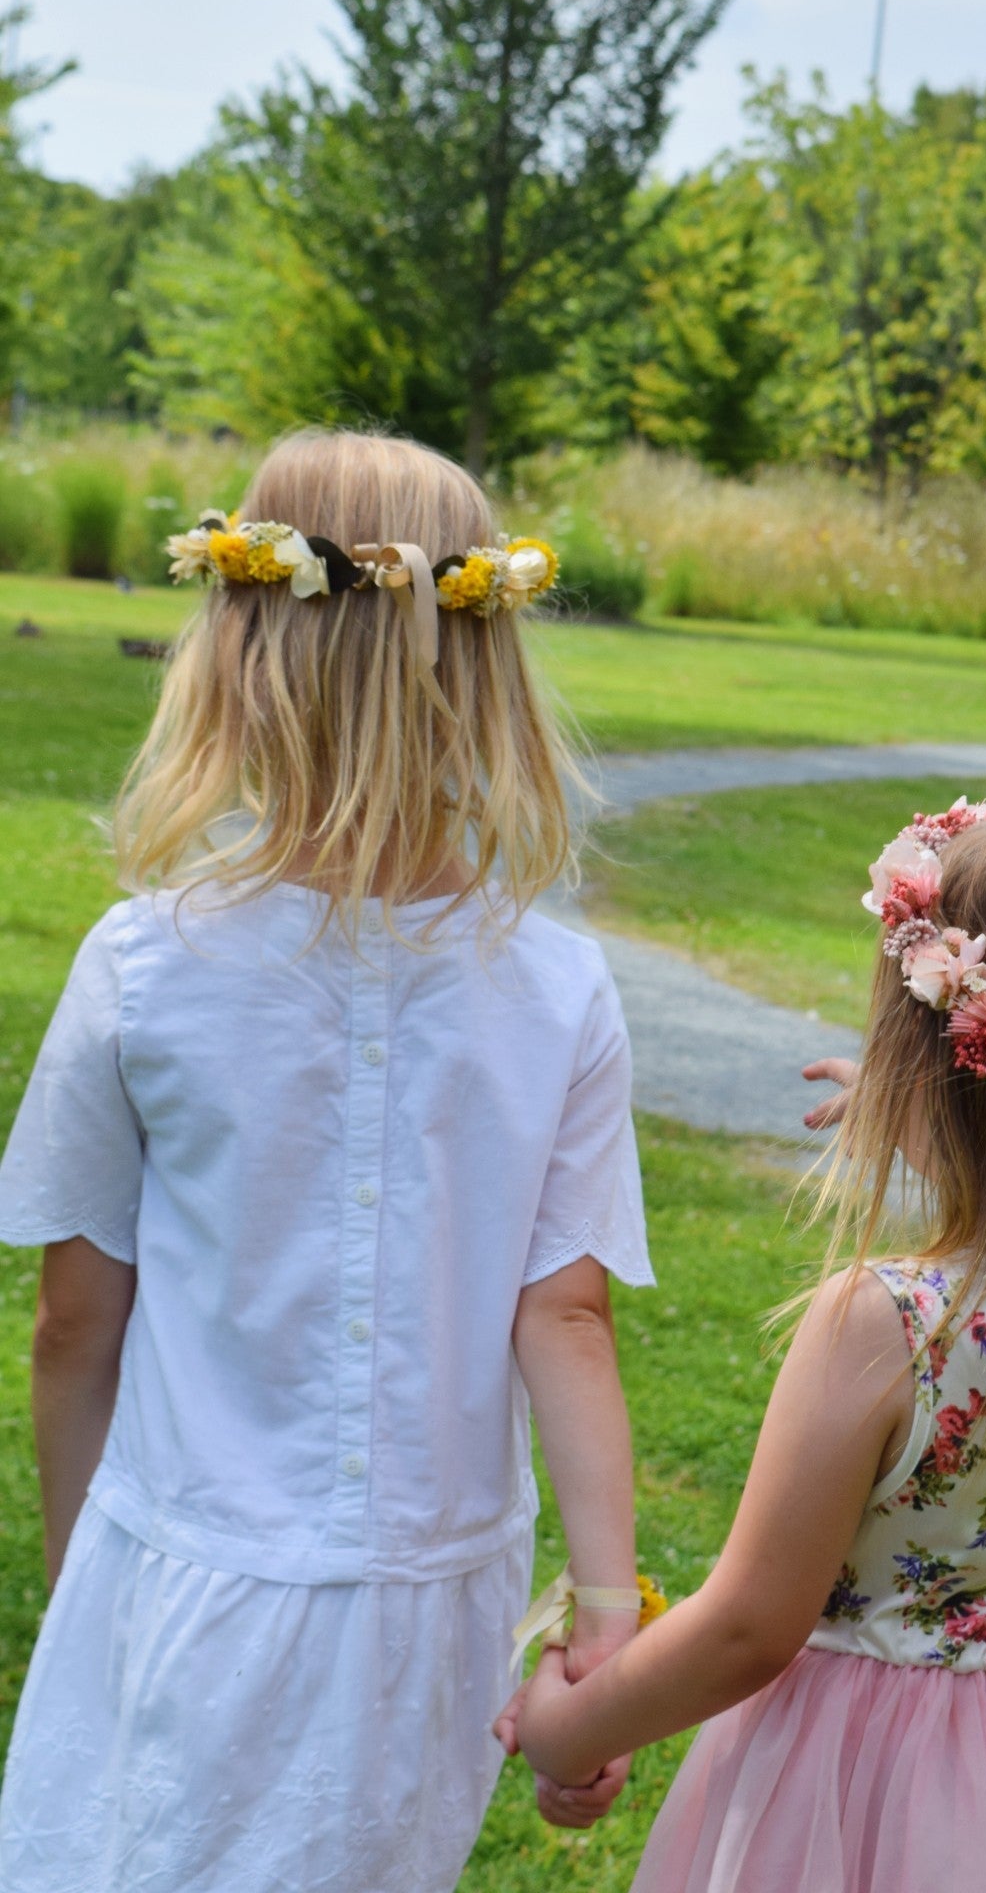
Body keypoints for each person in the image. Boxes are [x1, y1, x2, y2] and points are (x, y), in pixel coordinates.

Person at [0, 430, 653, 1893]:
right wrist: (604, 1612)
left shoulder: (144, 967)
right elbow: (566, 1316)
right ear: (482, 668)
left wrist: (85, 1584)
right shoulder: (557, 990)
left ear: (241, 652)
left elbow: (73, 1323)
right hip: (433, 1603)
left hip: (186, 1569)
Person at [502, 797, 986, 1891]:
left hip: (885, 1781)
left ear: (928, 1063)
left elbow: (748, 1624)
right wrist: (950, 1128)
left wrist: (569, 1728)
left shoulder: (884, 1325)